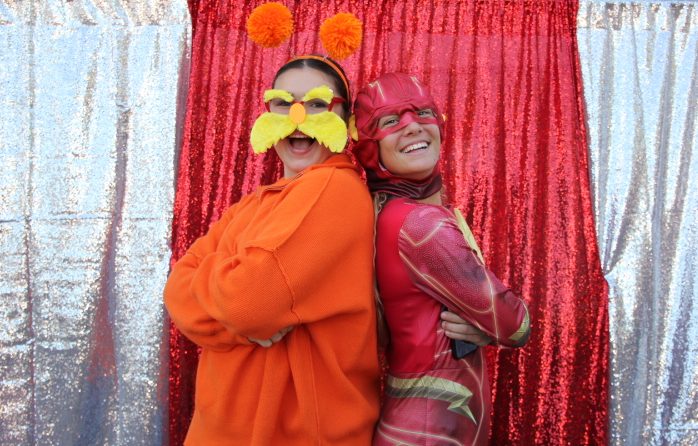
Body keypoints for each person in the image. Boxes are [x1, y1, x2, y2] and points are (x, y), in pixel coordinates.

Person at [164, 55, 380, 445]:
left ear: (346, 121)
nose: (298, 115)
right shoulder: (251, 204)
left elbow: (246, 302)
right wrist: (233, 307)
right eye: (284, 102)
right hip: (220, 430)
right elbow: (176, 291)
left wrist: (218, 285)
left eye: (317, 103)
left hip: (293, 434)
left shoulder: (334, 188)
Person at [352, 72, 531, 446]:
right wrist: (493, 323)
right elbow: (514, 324)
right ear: (372, 146)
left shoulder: (388, 211)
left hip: (425, 421)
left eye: (422, 113)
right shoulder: (421, 223)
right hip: (432, 431)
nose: (412, 126)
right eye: (390, 121)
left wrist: (483, 323)